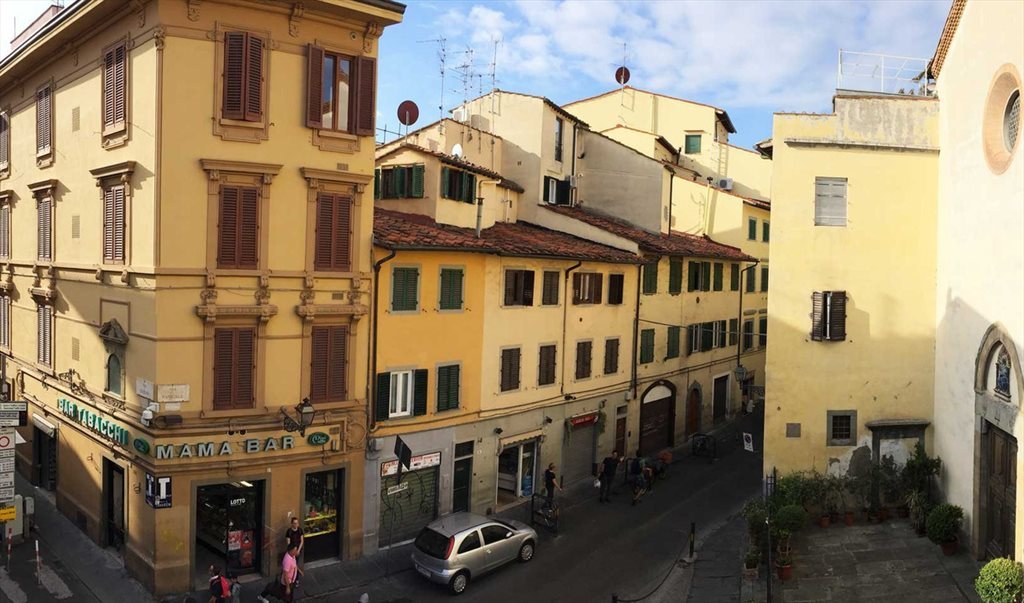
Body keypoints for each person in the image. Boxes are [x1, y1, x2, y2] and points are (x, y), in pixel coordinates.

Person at [284, 516, 304, 586]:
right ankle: (291, 579)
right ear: (292, 524)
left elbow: (302, 541)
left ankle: (296, 579)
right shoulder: (289, 532)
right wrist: (292, 551)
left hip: (298, 550)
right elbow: (288, 543)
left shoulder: (300, 530)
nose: (296, 525)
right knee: (292, 565)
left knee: (296, 564)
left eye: (297, 523)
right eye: (295, 523)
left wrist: (298, 550)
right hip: (292, 551)